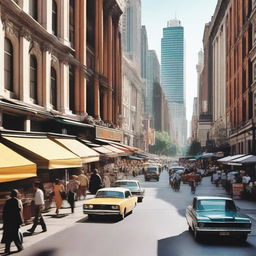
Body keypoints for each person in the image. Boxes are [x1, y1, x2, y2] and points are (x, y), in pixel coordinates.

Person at [1, 189, 24, 254]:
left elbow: (4, 212)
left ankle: (7, 249)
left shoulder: (7, 201)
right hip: (15, 221)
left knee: (8, 236)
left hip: (8, 222)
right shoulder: (17, 201)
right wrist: (21, 221)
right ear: (16, 194)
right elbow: (19, 212)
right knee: (15, 235)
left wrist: (4, 221)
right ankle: (19, 247)